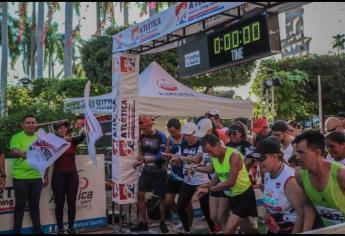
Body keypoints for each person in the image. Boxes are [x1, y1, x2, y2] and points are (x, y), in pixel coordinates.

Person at [198, 134, 259, 234]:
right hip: (232, 196)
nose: (209, 154)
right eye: (207, 152)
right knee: (247, 228)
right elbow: (219, 173)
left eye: (210, 151)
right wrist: (208, 185)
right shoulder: (215, 156)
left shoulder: (233, 155)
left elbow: (231, 181)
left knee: (229, 229)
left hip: (244, 196)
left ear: (218, 144)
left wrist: (209, 189)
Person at [251, 138, 315, 233]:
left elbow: (302, 214)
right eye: (256, 159)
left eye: (261, 158)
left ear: (275, 157)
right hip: (275, 227)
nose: (258, 163)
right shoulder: (267, 171)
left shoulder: (290, 181)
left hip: (290, 229)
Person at [294, 129, 345, 227]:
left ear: (317, 152)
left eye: (301, 152)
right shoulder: (299, 175)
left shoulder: (341, 174)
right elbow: (308, 206)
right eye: (297, 152)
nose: (297, 157)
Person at [170, 122, 215, 234]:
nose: (185, 137)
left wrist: (181, 158)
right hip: (188, 180)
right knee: (180, 206)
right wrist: (174, 160)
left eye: (188, 135)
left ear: (195, 133)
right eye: (184, 134)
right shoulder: (183, 144)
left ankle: (213, 230)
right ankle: (187, 230)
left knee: (206, 210)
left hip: (202, 181)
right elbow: (179, 161)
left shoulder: (201, 144)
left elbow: (196, 160)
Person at [10, 115, 48, 234]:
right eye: (28, 123)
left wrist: (45, 176)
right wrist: (25, 154)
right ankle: (17, 231)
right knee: (20, 206)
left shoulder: (41, 138)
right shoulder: (17, 137)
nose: (31, 125)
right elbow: (14, 151)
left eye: (33, 122)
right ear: (22, 125)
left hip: (37, 177)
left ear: (36, 124)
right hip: (21, 178)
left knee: (35, 206)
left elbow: (46, 158)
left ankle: (37, 230)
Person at [132, 116, 169, 233]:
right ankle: (143, 223)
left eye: (143, 128)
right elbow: (142, 153)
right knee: (140, 195)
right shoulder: (142, 136)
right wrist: (140, 159)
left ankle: (162, 222)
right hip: (147, 171)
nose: (142, 131)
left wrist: (148, 159)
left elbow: (163, 155)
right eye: (141, 129)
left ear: (150, 125)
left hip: (159, 171)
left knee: (161, 198)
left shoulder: (161, 136)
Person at [194, 118, 229, 232]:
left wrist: (208, 186)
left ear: (210, 131)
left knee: (221, 216)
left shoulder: (219, 145)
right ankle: (216, 229)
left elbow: (216, 170)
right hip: (213, 181)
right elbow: (208, 165)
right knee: (213, 215)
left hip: (223, 183)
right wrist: (196, 168)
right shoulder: (204, 145)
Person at [51, 120, 85, 234]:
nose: (63, 130)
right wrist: (60, 141)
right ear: (56, 131)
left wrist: (84, 128)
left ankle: (71, 228)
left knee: (71, 201)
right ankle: (60, 229)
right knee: (59, 203)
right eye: (60, 128)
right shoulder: (52, 141)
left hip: (72, 176)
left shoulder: (72, 140)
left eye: (64, 128)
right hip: (58, 176)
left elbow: (83, 136)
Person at [162, 118, 193, 228]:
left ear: (179, 129)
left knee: (186, 202)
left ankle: (189, 225)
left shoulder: (186, 139)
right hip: (174, 174)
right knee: (169, 201)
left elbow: (190, 156)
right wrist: (166, 156)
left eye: (173, 132)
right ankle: (182, 218)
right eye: (170, 132)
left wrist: (173, 156)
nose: (172, 134)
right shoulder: (169, 139)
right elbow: (167, 153)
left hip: (185, 175)